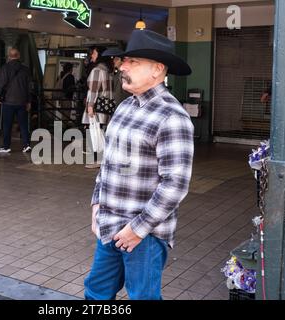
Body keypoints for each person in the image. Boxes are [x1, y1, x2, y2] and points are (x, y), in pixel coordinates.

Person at [84, 29, 194, 300]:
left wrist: (137, 229)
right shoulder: (124, 107)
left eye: (133, 62)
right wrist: (96, 204)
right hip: (109, 225)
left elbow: (175, 186)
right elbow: (108, 163)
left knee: (142, 297)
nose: (123, 67)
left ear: (157, 70)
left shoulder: (172, 117)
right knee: (96, 292)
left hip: (144, 236)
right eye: (124, 61)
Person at [82, 46, 114, 169]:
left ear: (100, 55)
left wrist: (90, 106)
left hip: (96, 106)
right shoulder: (108, 70)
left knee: (95, 132)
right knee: (101, 132)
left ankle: (98, 160)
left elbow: (94, 90)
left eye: (94, 53)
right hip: (105, 106)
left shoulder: (97, 70)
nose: (92, 56)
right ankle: (103, 159)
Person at [0, 48, 32, 154]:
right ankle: (26, 145)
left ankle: (6, 146)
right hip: (22, 101)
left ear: (9, 56)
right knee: (23, 124)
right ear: (19, 56)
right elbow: (29, 87)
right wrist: (29, 101)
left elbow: (0, 84)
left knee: (7, 125)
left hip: (8, 101)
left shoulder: (5, 68)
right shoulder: (25, 69)